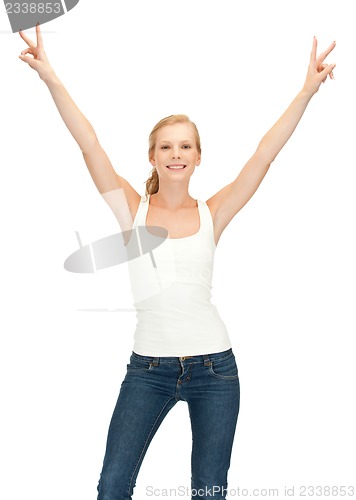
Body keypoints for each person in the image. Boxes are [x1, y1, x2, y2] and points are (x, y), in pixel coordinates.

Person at [18, 24, 336, 500]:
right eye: (166, 146)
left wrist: (306, 92)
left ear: (198, 157)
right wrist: (52, 79)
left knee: (209, 491)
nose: (176, 153)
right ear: (152, 156)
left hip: (216, 370)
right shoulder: (133, 210)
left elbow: (263, 155)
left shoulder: (214, 213)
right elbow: (90, 146)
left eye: (185, 145)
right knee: (111, 487)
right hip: (148, 370)